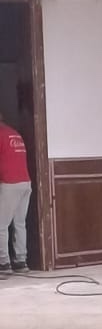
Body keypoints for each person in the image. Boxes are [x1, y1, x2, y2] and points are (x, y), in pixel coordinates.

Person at [0, 110, 32, 277]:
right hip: (25, 183)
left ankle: (3, 263)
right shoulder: (15, 134)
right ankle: (21, 261)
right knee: (19, 223)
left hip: (10, 183)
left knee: (1, 225)